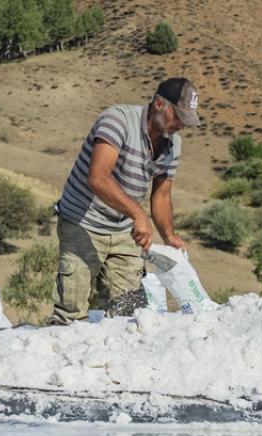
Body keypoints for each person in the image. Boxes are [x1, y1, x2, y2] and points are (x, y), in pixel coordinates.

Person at [47, 77, 201, 325]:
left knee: (129, 314)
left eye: (187, 119)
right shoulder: (117, 121)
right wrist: (138, 215)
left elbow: (161, 195)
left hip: (123, 231)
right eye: (179, 116)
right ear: (159, 104)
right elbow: (98, 178)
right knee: (71, 313)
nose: (182, 124)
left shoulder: (174, 145)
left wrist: (169, 235)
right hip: (83, 223)